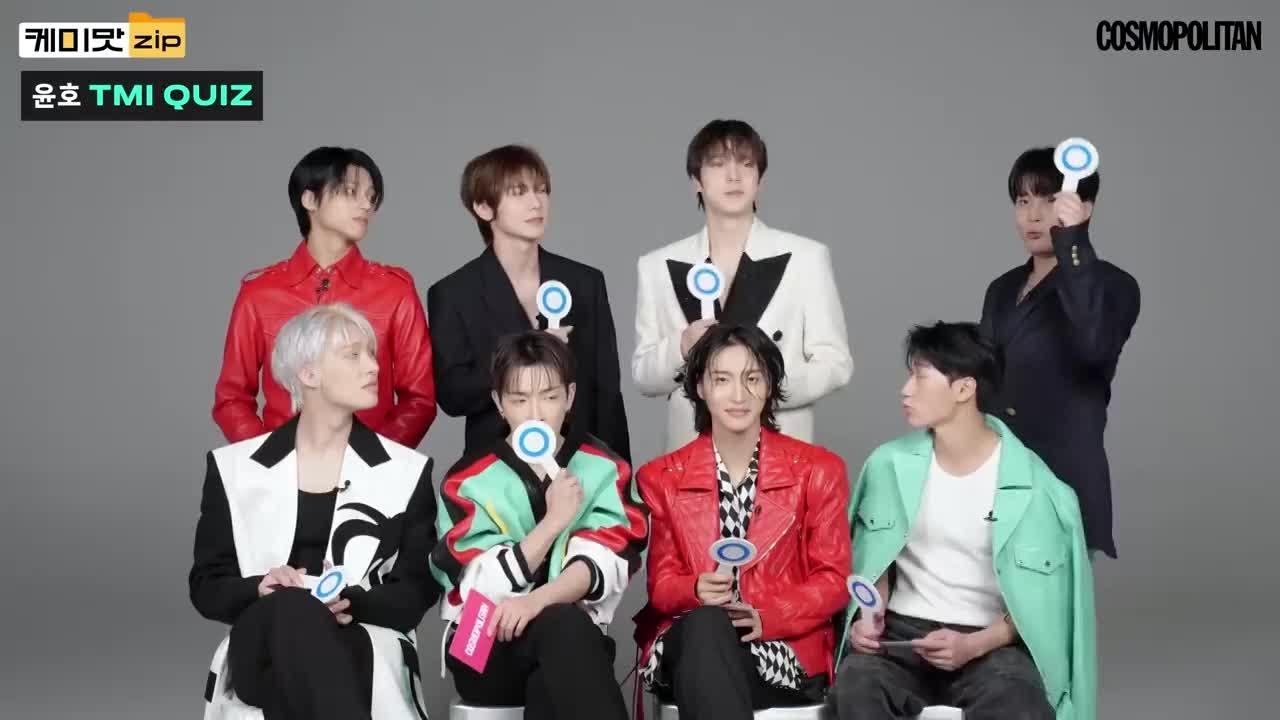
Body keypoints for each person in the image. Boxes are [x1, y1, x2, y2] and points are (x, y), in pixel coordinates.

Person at [830, 321, 1096, 720]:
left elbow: (1043, 606)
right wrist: (871, 617)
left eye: (920, 377)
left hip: (991, 642)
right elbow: (878, 560)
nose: (905, 390)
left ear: (964, 389)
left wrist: (974, 645)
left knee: (1019, 703)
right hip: (901, 637)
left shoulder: (1041, 490)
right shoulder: (887, 465)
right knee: (856, 685)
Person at [191, 303, 440, 720]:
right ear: (308, 374)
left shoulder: (407, 471)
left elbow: (417, 591)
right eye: (353, 356)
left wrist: (349, 602)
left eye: (372, 354)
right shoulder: (233, 468)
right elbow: (206, 586)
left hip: (358, 638)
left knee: (297, 667)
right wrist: (261, 588)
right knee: (292, 608)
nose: (374, 367)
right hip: (261, 638)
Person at [634, 323, 851, 719]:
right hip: (690, 641)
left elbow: (833, 580)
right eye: (722, 379)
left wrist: (767, 615)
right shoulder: (661, 478)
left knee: (711, 659)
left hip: (780, 649)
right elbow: (662, 587)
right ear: (700, 387)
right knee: (706, 626)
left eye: (752, 378)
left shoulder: (819, 470)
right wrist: (695, 588)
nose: (738, 395)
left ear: (769, 385)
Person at [429, 330, 646, 720]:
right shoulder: (467, 480)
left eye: (549, 397)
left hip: (571, 640)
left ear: (570, 396)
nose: (535, 414)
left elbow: (606, 564)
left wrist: (536, 601)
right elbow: (481, 589)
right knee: (566, 639)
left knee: (556, 664)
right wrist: (552, 523)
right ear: (499, 403)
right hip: (483, 644)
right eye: (519, 399)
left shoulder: (604, 469)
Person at [632, 119, 853, 452]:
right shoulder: (656, 266)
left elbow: (836, 363)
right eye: (718, 164)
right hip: (692, 454)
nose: (733, 176)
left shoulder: (806, 258)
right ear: (696, 182)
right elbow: (643, 376)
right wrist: (682, 346)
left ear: (760, 181)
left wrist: (763, 387)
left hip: (780, 450)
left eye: (746, 164)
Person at [213, 146, 436, 449]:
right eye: (350, 192)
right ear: (310, 199)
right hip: (281, 465)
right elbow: (231, 398)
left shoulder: (395, 290)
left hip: (371, 467)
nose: (366, 205)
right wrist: (271, 460)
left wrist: (374, 461)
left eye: (371, 197)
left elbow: (419, 399)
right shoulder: (260, 293)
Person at [979, 146, 1140, 560]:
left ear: (1085, 207)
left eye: (1050, 199)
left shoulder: (1112, 284)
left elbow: (1093, 347)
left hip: (1060, 478)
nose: (1033, 216)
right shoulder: (1002, 288)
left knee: (1046, 599)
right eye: (1022, 201)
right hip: (993, 473)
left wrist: (1073, 242)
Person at [427, 144, 631, 462]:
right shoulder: (453, 293)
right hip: (495, 468)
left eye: (542, 190)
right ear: (483, 207)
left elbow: (607, 393)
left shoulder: (584, 282)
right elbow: (453, 395)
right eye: (518, 192)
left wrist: (617, 473)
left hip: (579, 463)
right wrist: (525, 352)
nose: (536, 203)